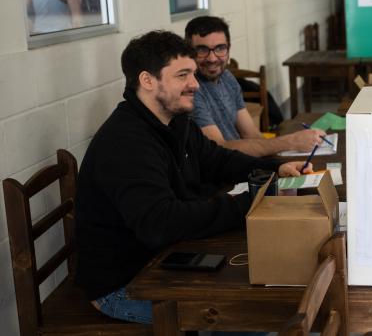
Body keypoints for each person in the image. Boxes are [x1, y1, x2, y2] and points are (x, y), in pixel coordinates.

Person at [75, 31, 308, 334]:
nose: (195, 84)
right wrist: (249, 202)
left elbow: (218, 160)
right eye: (182, 75)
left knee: (262, 288)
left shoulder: (174, 119)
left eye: (193, 74)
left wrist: (274, 170)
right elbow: (161, 222)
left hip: (166, 259)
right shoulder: (126, 143)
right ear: (147, 80)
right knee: (247, 312)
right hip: (126, 285)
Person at [184, 16, 324, 156]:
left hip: (242, 163)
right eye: (202, 50)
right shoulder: (191, 90)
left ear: (229, 49)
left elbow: (250, 133)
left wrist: (281, 154)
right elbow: (219, 148)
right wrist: (291, 142)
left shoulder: (228, 78)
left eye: (220, 48)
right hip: (221, 173)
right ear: (189, 53)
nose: (212, 58)